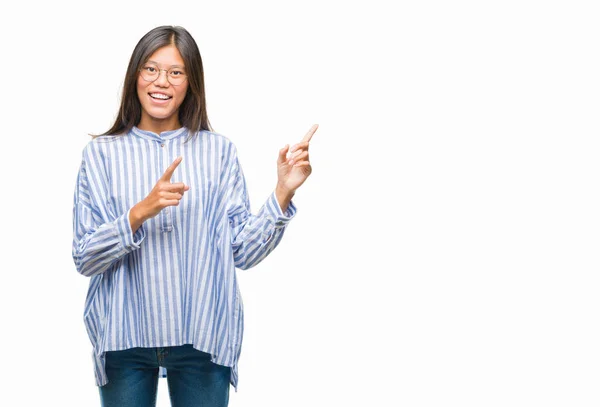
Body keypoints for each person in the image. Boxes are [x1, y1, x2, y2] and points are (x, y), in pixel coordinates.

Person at [71, 25, 317, 407]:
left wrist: (283, 191)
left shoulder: (218, 152)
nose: (161, 82)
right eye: (150, 69)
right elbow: (85, 257)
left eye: (176, 72)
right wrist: (138, 213)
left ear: (191, 82)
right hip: (124, 337)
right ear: (135, 75)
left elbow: (242, 253)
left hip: (202, 335)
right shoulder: (101, 155)